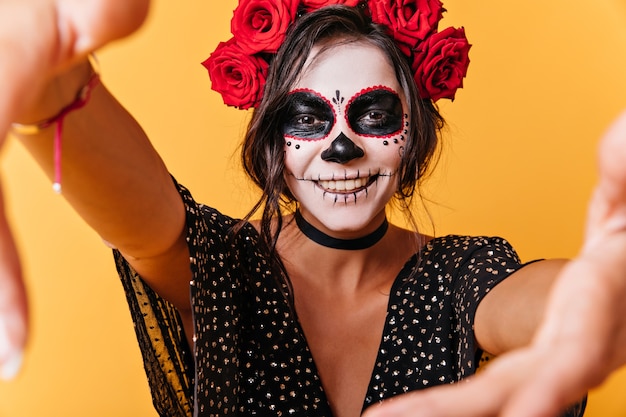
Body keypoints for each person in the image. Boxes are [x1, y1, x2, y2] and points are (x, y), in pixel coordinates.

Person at [0, 1, 625, 417]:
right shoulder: (226, 268)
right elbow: (146, 222)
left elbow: (547, 299)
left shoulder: (460, 275)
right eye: (308, 118)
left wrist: (607, 284)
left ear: (413, 134)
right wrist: (50, 77)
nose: (343, 147)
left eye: (373, 114)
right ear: (273, 142)